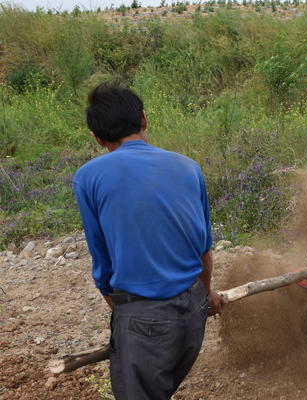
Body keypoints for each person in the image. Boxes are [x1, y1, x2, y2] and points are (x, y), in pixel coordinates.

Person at [73, 82, 225, 399]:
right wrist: (206, 294)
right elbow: (203, 248)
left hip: (145, 320)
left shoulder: (88, 177)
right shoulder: (188, 166)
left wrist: (123, 319)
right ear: (144, 119)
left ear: (97, 138)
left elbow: (102, 262)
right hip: (193, 315)